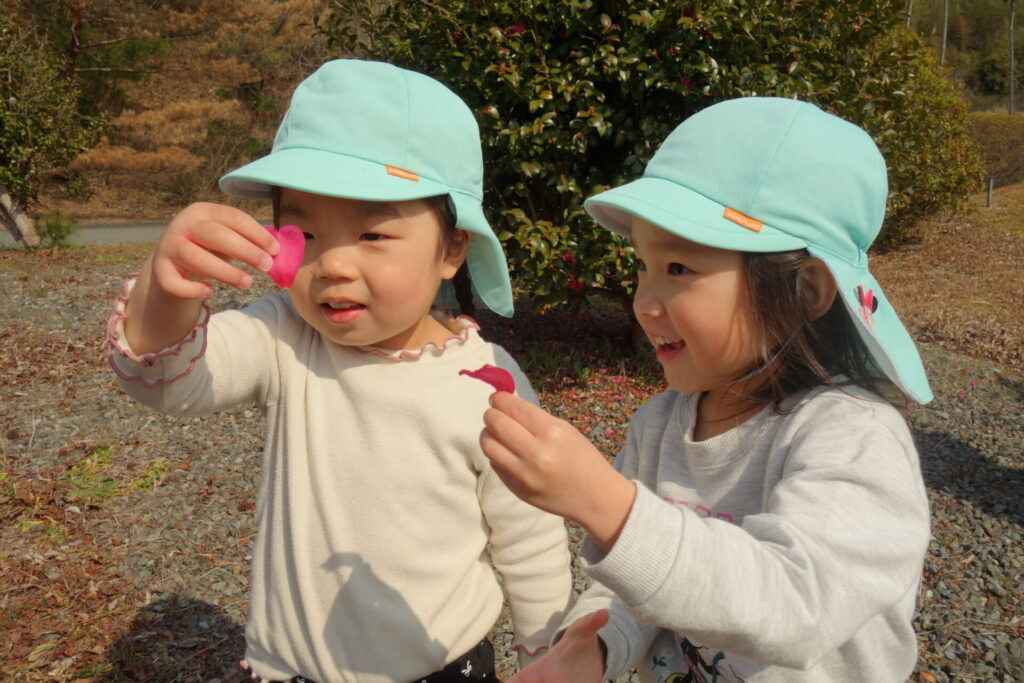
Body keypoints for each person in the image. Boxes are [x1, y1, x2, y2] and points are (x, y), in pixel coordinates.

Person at [105, 59, 573, 683]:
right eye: (304, 231)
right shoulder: (287, 336)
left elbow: (531, 538)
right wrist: (166, 293)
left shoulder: (490, 383)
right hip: (289, 670)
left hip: (443, 668)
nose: (332, 265)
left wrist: (548, 655)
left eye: (372, 234)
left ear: (452, 248)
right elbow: (170, 382)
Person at [479, 97, 933, 682]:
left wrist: (605, 503)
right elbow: (640, 576)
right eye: (642, 266)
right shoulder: (659, 424)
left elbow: (800, 604)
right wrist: (595, 646)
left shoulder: (852, 438)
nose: (644, 303)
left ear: (807, 291)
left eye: (679, 269)